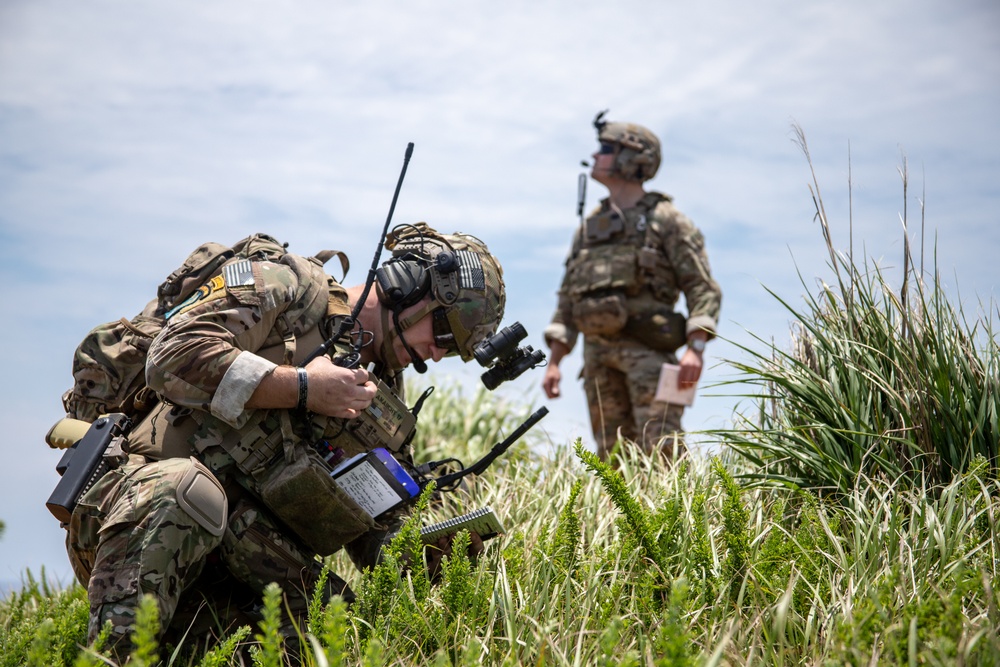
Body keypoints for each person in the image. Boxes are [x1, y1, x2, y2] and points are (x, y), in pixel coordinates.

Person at [64, 223, 506, 658]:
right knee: (184, 491)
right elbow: (171, 356)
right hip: (139, 516)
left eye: (452, 351)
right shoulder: (288, 287)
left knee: (340, 625)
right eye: (443, 334)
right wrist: (303, 388)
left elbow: (374, 526)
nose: (437, 353)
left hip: (238, 568)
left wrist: (429, 549)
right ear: (407, 284)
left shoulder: (381, 398)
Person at [542, 112, 722, 461]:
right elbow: (568, 296)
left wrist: (696, 348)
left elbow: (701, 286)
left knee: (663, 452)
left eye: (605, 148)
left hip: (651, 357)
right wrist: (555, 361)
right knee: (612, 461)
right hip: (597, 360)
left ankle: (673, 517)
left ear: (632, 158)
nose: (595, 156)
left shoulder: (667, 220)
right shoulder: (590, 227)